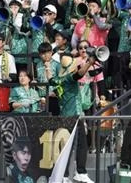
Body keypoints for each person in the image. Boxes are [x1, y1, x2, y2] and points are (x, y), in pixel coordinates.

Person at [45, 53, 96, 183]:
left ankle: (64, 175)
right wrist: (89, 63)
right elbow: (80, 73)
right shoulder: (69, 78)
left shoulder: (57, 80)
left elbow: (50, 78)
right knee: (82, 145)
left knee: (65, 147)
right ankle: (80, 172)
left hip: (64, 116)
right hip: (74, 114)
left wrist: (47, 67)